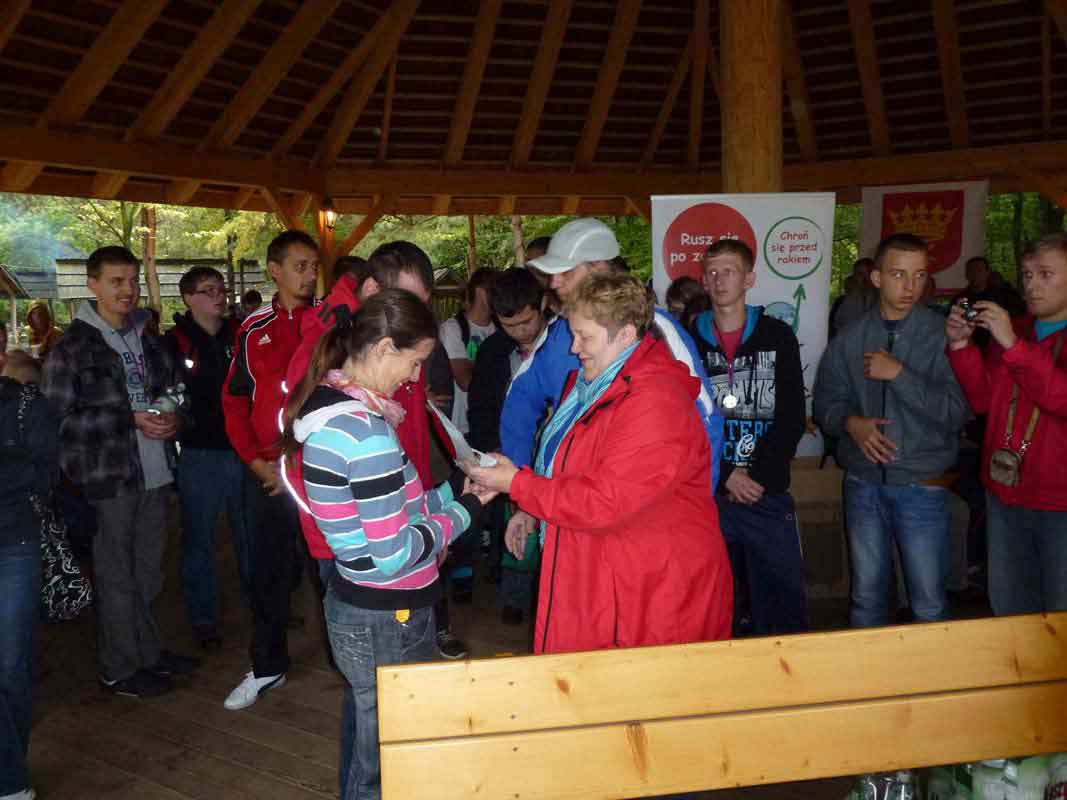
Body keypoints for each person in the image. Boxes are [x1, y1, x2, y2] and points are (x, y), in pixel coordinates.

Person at [281, 288, 494, 800]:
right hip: (386, 614)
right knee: (382, 760)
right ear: (382, 349)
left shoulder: (337, 410)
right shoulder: (366, 433)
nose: (415, 378)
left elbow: (399, 505)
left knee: (377, 744)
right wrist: (469, 510)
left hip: (365, 606)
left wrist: (456, 490)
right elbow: (393, 553)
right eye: (414, 362)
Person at [469, 271, 732, 653]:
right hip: (611, 573)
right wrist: (530, 508)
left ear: (625, 335)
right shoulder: (594, 385)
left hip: (651, 593)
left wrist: (518, 485)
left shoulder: (655, 401)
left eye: (584, 337)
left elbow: (604, 500)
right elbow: (567, 467)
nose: (574, 348)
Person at [283, 241, 470, 660]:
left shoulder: (397, 345)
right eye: (406, 300)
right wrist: (340, 535)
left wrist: (425, 512)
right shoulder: (335, 349)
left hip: (403, 517)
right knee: (379, 678)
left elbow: (407, 443)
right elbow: (302, 459)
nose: (414, 314)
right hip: (361, 545)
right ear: (372, 290)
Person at [500, 218, 723, 547]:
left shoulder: (656, 329)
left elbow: (706, 423)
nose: (554, 283)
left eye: (566, 272)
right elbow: (518, 405)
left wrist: (689, 517)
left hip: (646, 530)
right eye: (552, 274)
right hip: (571, 516)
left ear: (600, 268)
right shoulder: (558, 332)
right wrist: (528, 498)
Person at [41, 245, 199, 697]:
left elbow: (177, 389)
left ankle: (147, 652)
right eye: (116, 281)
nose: (127, 290)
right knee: (116, 577)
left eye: (132, 280)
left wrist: (174, 418)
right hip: (107, 480)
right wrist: (128, 418)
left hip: (157, 471)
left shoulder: (148, 337)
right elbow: (57, 422)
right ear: (92, 285)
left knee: (148, 573)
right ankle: (120, 668)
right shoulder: (71, 348)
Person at [814, 234, 969, 628]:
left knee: (928, 603)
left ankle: (929, 670)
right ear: (877, 278)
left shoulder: (944, 336)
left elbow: (958, 412)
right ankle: (867, 670)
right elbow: (826, 405)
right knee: (865, 599)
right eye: (899, 274)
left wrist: (900, 375)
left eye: (919, 275)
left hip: (922, 484)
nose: (910, 286)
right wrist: (851, 424)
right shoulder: (850, 338)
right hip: (863, 482)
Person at [689, 239, 808, 636]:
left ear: (749, 279)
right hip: (710, 496)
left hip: (764, 492)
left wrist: (754, 476)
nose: (719, 279)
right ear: (703, 281)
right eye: (712, 272)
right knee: (716, 606)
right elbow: (686, 421)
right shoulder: (689, 340)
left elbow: (792, 416)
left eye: (729, 271)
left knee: (780, 607)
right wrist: (726, 475)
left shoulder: (778, 335)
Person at [221, 230, 319, 710]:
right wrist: (258, 465)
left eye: (314, 266)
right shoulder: (252, 329)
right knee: (267, 573)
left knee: (333, 570)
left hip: (321, 472)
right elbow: (234, 402)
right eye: (300, 266)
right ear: (275, 271)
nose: (310, 275)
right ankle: (267, 666)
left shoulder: (331, 325)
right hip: (266, 474)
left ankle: (354, 661)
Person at [945, 233, 1067, 614]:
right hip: (1004, 492)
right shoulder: (1016, 330)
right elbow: (984, 400)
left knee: (1059, 612)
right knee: (1010, 609)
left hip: (1059, 501)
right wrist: (961, 347)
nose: (1032, 285)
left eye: (1046, 274)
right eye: (1027, 274)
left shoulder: (1012, 336)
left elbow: (1060, 397)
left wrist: (1013, 346)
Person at [165, 266, 247, 649]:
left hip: (244, 451)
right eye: (208, 290)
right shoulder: (174, 343)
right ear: (188, 298)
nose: (219, 296)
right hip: (200, 454)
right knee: (199, 540)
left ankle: (262, 606)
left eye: (221, 289)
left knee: (251, 536)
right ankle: (203, 618)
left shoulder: (241, 335)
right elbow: (164, 393)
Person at [468, 269, 550, 624]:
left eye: (527, 322)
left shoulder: (567, 342)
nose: (520, 332)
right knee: (516, 529)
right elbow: (481, 407)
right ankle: (514, 601)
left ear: (542, 304)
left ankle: (548, 599)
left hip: (555, 458)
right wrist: (492, 452)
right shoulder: (493, 351)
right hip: (509, 456)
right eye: (509, 325)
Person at [0, 370, 57, 800]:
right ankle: (11, 777)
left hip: (14, 542)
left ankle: (10, 769)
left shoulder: (25, 405)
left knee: (11, 665)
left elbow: (46, 476)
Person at [439, 268, 497, 436]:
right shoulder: (453, 328)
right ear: (481, 292)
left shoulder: (502, 328)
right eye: (496, 290)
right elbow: (464, 380)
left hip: (495, 421)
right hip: (463, 425)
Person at [831, 257, 877, 336]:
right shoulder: (846, 301)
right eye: (860, 274)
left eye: (869, 273)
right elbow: (837, 326)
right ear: (854, 276)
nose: (865, 278)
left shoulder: (884, 298)